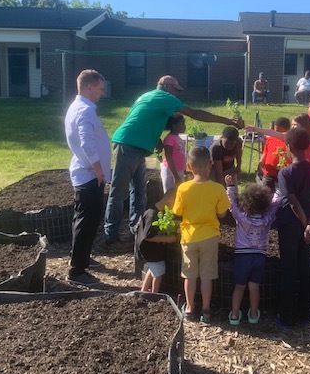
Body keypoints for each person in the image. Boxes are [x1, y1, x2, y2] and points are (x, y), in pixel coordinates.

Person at [103, 75, 243, 250]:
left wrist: (156, 140)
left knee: (139, 191)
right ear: (166, 87)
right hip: (129, 145)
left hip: (137, 146)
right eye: (176, 90)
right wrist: (227, 120)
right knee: (119, 190)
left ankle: (136, 230)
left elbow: (144, 121)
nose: (177, 94)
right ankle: (110, 237)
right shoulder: (163, 97)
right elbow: (195, 114)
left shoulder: (147, 96)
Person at [64, 69, 111, 286]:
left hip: (86, 173)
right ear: (89, 87)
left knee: (83, 219)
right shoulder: (84, 111)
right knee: (86, 221)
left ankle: (82, 257)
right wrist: (98, 169)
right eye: (100, 89)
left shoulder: (79, 107)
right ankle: (77, 270)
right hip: (89, 174)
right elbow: (86, 142)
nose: (102, 93)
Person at [173, 146, 230, 323]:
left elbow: (178, 211)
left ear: (189, 166)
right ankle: (206, 310)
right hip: (210, 237)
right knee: (207, 275)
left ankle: (189, 309)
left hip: (189, 236)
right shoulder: (218, 189)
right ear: (210, 165)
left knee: (189, 274)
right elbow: (222, 214)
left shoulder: (183, 188)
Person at [274, 127, 310, 328]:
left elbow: (292, 203)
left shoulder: (285, 173)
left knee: (288, 268)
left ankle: (286, 316)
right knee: (305, 267)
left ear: (288, 147)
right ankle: (305, 314)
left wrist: (305, 225)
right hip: (308, 223)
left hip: (291, 225)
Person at [225, 173, 282, 325]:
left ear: (246, 202)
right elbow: (275, 204)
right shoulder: (267, 218)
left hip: (242, 257)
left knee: (239, 286)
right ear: (265, 203)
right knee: (254, 286)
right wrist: (279, 190)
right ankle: (254, 314)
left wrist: (231, 187)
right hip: (259, 257)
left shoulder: (241, 217)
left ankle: (235, 315)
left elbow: (233, 205)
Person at [246, 113, 310, 170]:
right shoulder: (290, 136)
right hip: (299, 167)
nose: (292, 127)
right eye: (292, 125)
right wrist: (256, 129)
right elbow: (273, 133)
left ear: (304, 125)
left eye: (295, 125)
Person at [137, 188, 178, 293]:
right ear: (171, 200)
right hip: (151, 250)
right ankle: (154, 295)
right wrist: (168, 239)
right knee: (159, 273)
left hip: (152, 249)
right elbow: (148, 236)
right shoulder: (152, 214)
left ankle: (144, 291)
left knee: (153, 270)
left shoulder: (157, 211)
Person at [256, 117, 291, 193]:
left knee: (281, 195)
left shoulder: (289, 141)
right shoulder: (271, 139)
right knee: (265, 194)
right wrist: (261, 161)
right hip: (268, 173)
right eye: (275, 131)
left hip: (282, 174)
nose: (276, 133)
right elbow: (266, 152)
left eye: (279, 131)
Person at [160, 113, 187, 193]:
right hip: (170, 171)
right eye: (181, 123)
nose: (184, 126)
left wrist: (183, 171)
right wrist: (175, 176)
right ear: (174, 125)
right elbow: (169, 157)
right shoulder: (169, 139)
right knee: (169, 194)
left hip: (179, 171)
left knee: (178, 194)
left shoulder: (178, 138)